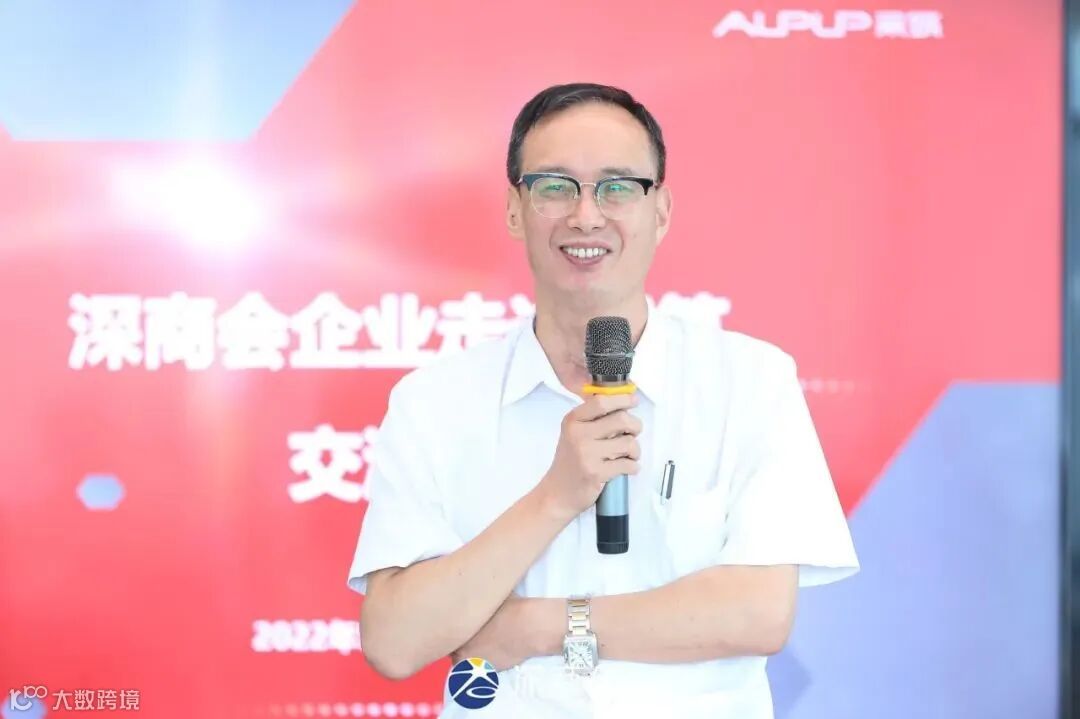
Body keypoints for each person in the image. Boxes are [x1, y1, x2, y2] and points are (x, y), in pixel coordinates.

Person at [346, 82, 859, 718]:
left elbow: (758, 614)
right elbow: (395, 643)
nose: (586, 216)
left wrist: (535, 626)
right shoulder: (435, 401)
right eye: (555, 187)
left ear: (660, 211)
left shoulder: (750, 381)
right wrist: (556, 496)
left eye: (617, 187)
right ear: (515, 209)